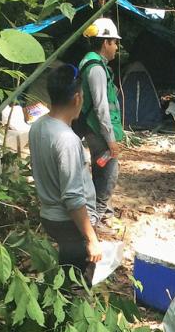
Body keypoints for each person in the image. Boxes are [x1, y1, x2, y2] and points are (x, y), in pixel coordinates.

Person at [28, 64, 102, 286]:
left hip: (50, 217)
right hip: (70, 224)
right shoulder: (67, 140)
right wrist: (91, 239)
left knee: (61, 279)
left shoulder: (39, 126)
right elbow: (72, 198)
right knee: (76, 287)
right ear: (77, 98)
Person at [78, 17, 123, 230]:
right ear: (105, 42)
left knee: (101, 171)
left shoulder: (95, 64)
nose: (116, 47)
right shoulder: (95, 68)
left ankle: (105, 214)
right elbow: (100, 107)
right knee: (109, 174)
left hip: (97, 130)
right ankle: (96, 218)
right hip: (99, 131)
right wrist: (111, 139)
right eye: (114, 42)